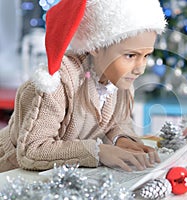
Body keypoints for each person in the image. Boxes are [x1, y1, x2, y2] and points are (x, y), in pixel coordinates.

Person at [0, 0, 167, 172]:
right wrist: (98, 151)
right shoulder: (56, 85)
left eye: (146, 55)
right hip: (10, 172)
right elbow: (32, 151)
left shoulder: (118, 80)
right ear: (97, 45)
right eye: (131, 55)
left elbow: (117, 123)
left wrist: (122, 140)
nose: (140, 68)